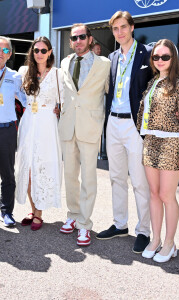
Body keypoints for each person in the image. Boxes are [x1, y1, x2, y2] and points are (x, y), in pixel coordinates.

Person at [96, 11, 152, 254]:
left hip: (134, 125)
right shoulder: (112, 57)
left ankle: (144, 230)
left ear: (132, 27)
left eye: (123, 27)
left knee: (139, 181)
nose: (119, 32)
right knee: (116, 177)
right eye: (115, 29)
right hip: (114, 123)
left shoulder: (148, 54)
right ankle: (120, 224)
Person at [136, 39, 179, 262]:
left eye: (165, 57)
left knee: (167, 195)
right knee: (154, 194)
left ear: (173, 58)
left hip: (171, 143)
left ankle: (170, 243)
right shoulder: (151, 83)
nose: (160, 60)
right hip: (151, 142)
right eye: (156, 57)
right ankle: (156, 239)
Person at [59, 23, 110, 246]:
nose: (77, 41)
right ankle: (73, 214)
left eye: (82, 37)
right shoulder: (64, 62)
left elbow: (111, 93)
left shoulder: (105, 64)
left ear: (90, 39)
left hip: (90, 126)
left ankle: (84, 224)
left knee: (89, 178)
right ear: (70, 41)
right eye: (74, 38)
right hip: (68, 125)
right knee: (70, 176)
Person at [15, 36, 63, 231]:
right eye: (36, 50)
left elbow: (64, 99)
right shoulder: (24, 71)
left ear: (50, 52)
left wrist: (59, 109)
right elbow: (17, 94)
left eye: (44, 50)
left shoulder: (58, 74)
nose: (40, 54)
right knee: (27, 167)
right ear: (32, 53)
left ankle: (39, 213)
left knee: (42, 166)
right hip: (28, 122)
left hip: (46, 124)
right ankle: (33, 209)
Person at [0, 36, 26, 227]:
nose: (1, 53)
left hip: (7, 130)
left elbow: (26, 100)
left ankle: (7, 212)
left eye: (5, 50)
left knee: (8, 174)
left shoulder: (15, 76)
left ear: (10, 54)